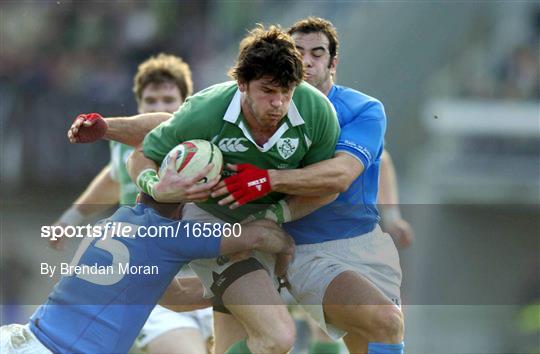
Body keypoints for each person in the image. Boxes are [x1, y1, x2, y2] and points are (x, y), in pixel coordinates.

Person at [67, 25, 341, 354]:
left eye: (287, 91)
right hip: (211, 223)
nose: (278, 103)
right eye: (268, 91)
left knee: (230, 340)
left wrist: (277, 211)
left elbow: (326, 184)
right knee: (278, 336)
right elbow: (144, 153)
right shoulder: (207, 110)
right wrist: (157, 185)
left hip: (274, 224)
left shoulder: (318, 113)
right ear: (242, 84)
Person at [211, 17, 406, 353]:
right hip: (298, 247)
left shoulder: (364, 109)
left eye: (317, 53)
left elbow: (342, 175)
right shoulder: (263, 107)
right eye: (298, 51)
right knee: (385, 322)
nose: (307, 60)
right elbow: (184, 126)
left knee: (376, 335)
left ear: (333, 63)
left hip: (363, 247)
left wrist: (266, 180)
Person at [0, 155, 295, 354]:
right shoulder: (172, 235)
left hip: (19, 339)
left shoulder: (111, 222)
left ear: (141, 194)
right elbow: (261, 235)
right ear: (184, 210)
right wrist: (285, 258)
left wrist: (226, 292)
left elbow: (174, 296)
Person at [52, 53, 215, 354]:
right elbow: (110, 182)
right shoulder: (125, 149)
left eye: (168, 100)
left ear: (185, 104)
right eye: (150, 102)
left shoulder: (207, 148)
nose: (160, 108)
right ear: (139, 107)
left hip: (205, 278)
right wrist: (70, 219)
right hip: (157, 288)